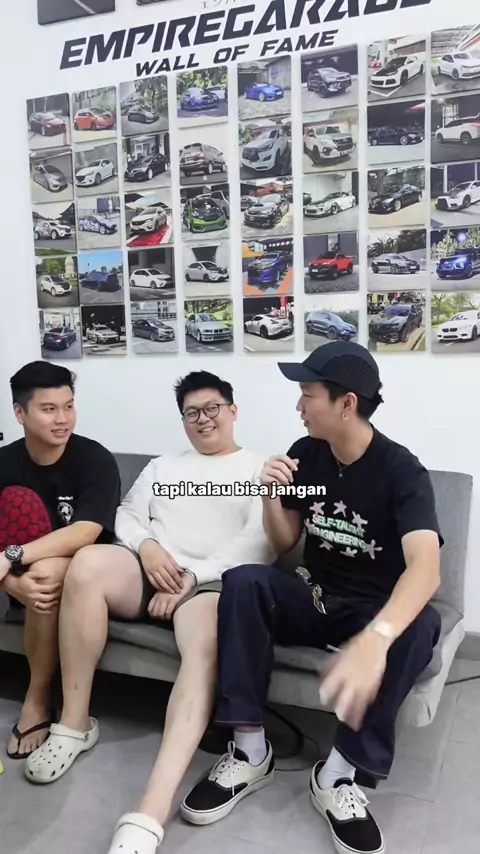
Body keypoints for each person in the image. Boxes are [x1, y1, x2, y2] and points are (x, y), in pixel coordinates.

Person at [181, 342, 443, 854]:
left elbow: (426, 570)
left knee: (422, 624)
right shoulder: (307, 453)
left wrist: (376, 640)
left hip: (369, 613)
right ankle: (249, 751)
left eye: (308, 394)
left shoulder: (401, 472)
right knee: (245, 580)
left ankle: (338, 774)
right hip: (314, 597)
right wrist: (270, 496)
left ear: (346, 403)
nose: (298, 406)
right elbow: (283, 543)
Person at [24, 370, 276, 854]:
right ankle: (74, 724)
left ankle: (150, 810)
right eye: (191, 412)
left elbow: (259, 543)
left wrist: (191, 578)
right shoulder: (163, 466)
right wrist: (148, 547)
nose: (203, 419)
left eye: (212, 408)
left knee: (204, 642)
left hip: (211, 585)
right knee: (87, 563)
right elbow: (127, 515)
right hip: (149, 572)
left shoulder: (258, 468)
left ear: (232, 410)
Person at [0, 361, 120, 759]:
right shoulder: (5, 463)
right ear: (19, 413)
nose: (62, 418)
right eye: (49, 409)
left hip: (86, 568)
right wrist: (10, 581)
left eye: (68, 406)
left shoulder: (94, 459)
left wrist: (12, 559)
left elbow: (85, 532)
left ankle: (36, 698)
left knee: (46, 572)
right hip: (18, 575)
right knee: (38, 575)